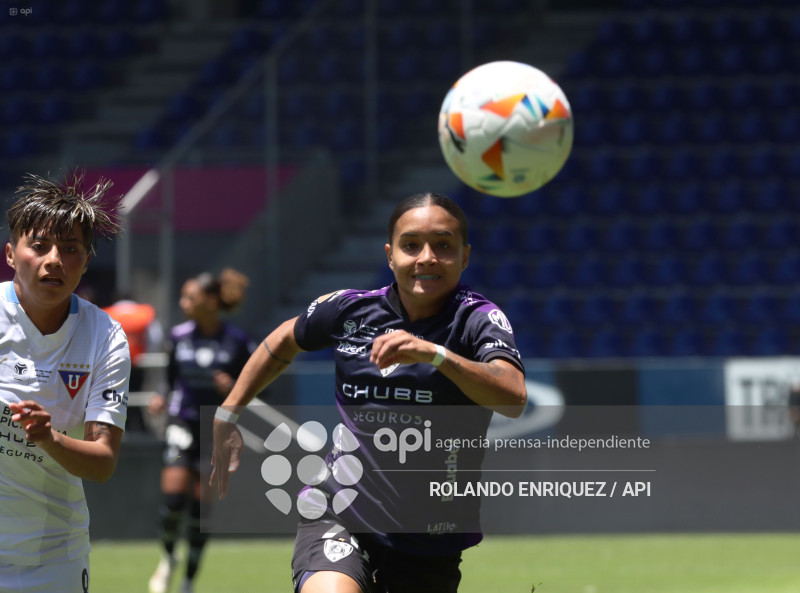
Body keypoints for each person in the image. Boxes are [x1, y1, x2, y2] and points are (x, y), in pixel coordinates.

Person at [211, 192, 527, 593]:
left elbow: (513, 397)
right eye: (410, 245)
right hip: (338, 510)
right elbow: (283, 341)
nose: (426, 257)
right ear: (390, 255)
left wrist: (438, 356)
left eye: (443, 245)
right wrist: (229, 411)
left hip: (430, 539)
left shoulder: (478, 320)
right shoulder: (351, 311)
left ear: (465, 257)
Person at [0, 172, 130, 592]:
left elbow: (103, 462)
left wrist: (48, 439)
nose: (53, 259)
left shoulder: (105, 336)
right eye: (38, 246)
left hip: (54, 557)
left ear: (86, 261)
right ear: (10, 254)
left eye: (70, 249)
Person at [148, 269, 256, 593]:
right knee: (173, 501)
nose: (183, 303)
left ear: (210, 302)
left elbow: (255, 390)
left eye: (189, 297)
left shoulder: (238, 342)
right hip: (182, 424)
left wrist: (233, 388)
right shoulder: (178, 336)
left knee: (198, 512)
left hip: (216, 431)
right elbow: (169, 380)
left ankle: (188, 581)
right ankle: (168, 557)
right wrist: (160, 399)